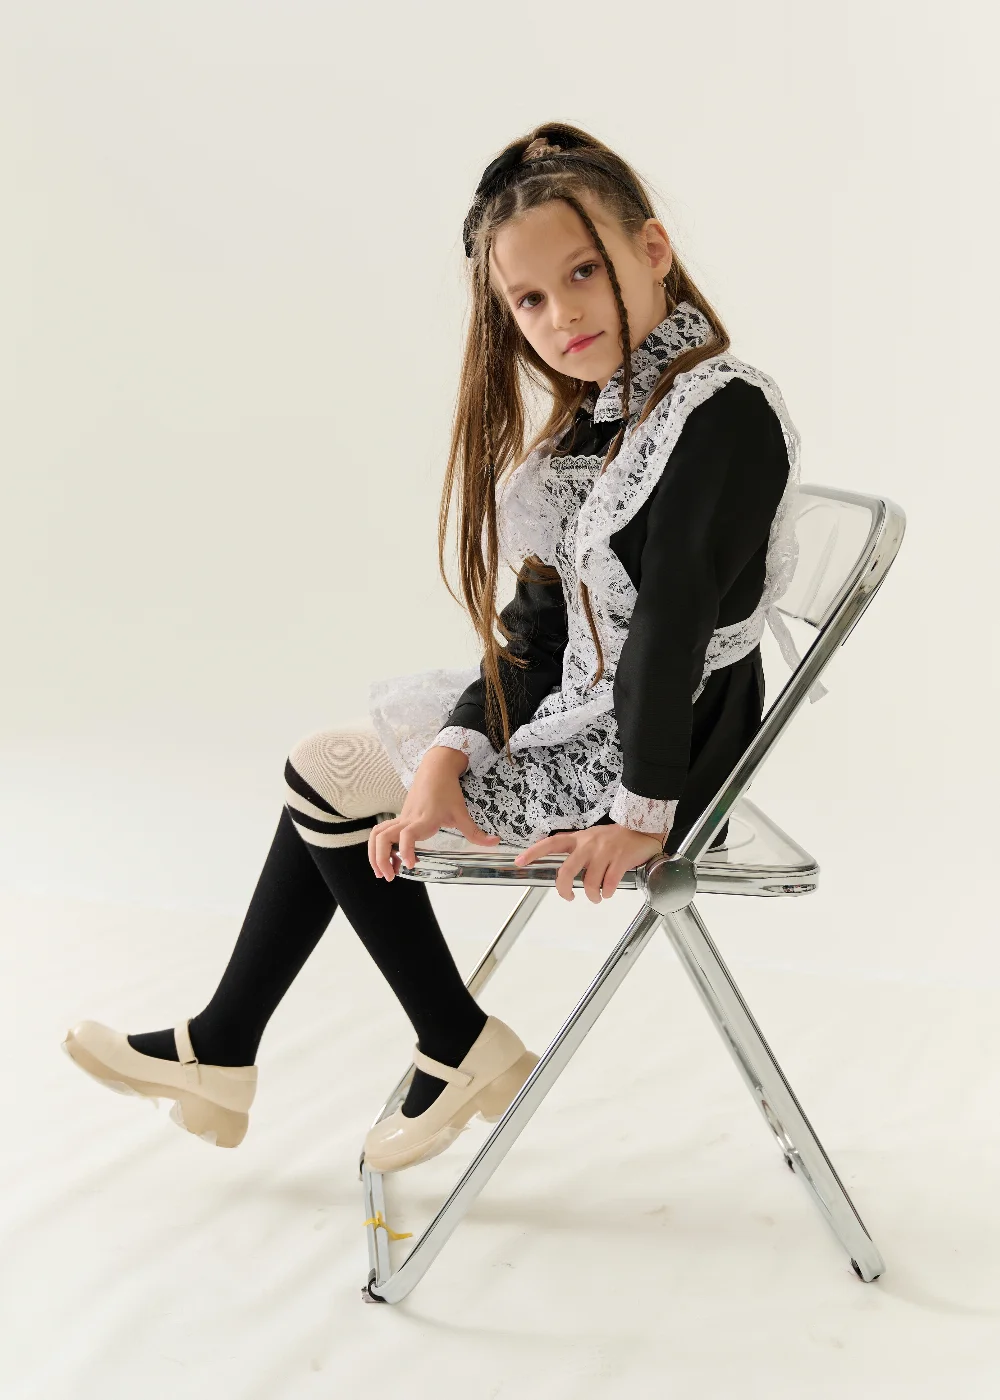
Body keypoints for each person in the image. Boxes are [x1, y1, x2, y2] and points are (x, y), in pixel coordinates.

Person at [62, 121, 799, 1175]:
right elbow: (540, 634)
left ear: (652, 250)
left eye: (582, 272)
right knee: (340, 778)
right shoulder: (600, 425)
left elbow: (671, 628)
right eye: (528, 300)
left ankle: (428, 1041)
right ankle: (236, 1048)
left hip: (667, 760)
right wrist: (453, 748)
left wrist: (643, 815)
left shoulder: (718, 412)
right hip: (609, 725)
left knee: (326, 774)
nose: (561, 315)